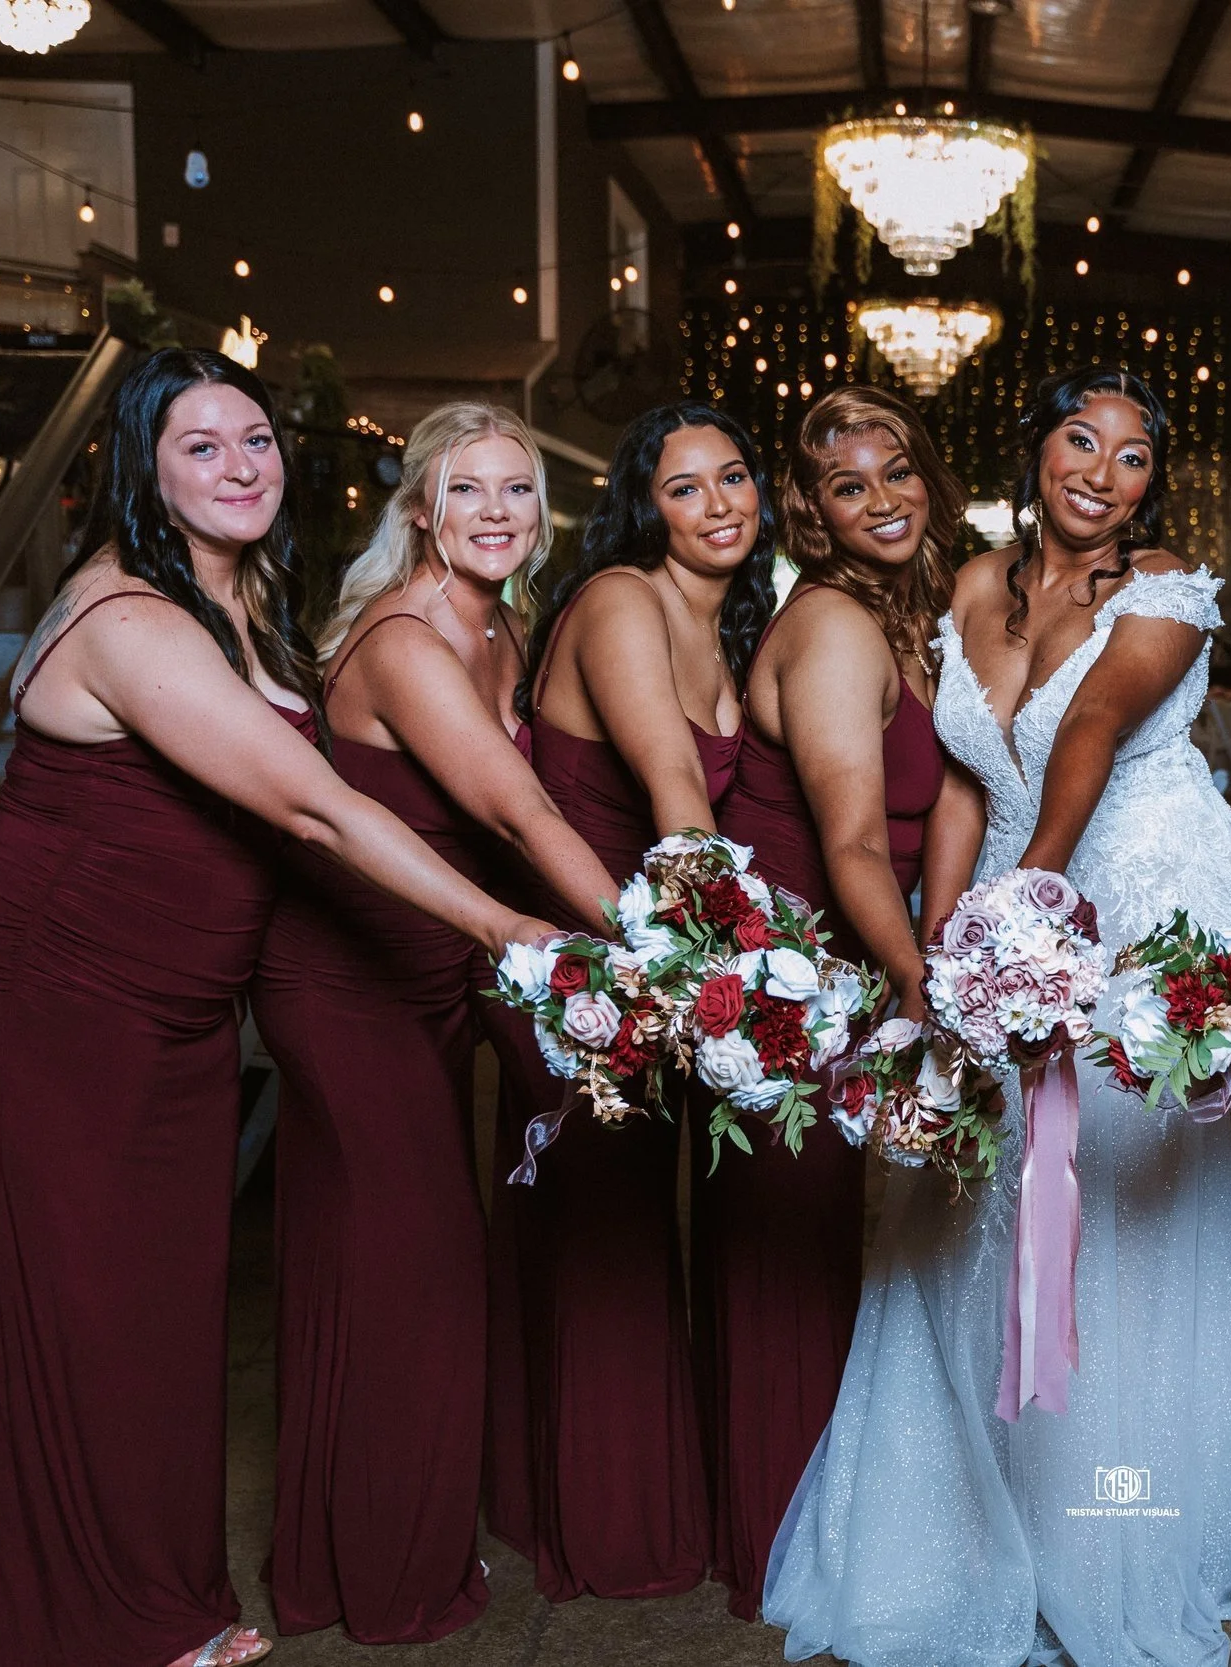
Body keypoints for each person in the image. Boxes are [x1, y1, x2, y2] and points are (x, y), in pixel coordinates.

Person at [0, 349, 552, 1667]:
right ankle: (81, 1623)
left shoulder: (251, 599)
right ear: (140, 467)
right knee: (75, 1311)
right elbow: (315, 802)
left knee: (152, 1321)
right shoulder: (132, 618)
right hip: (55, 995)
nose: (241, 466)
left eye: (256, 440)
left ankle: (153, 1599)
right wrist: (504, 924)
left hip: (174, 1006)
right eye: (200, 446)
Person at [764, 367, 1231, 1667]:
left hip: (1139, 894)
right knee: (969, 1200)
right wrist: (945, 947)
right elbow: (969, 779)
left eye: (1135, 455)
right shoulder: (973, 584)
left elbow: (1087, 727)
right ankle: (973, 1512)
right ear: (1032, 451)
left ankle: (1112, 1524)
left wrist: (1031, 909)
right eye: (1080, 441)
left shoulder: (1167, 591)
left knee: (1108, 1207)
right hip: (1008, 895)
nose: (1103, 471)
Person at [250, 402, 619, 1644]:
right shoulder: (407, 637)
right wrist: (667, 937)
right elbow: (515, 813)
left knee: (392, 1265)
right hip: (342, 981)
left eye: (519, 489)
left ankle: (341, 1547)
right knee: (409, 1268)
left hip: (437, 977)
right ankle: (384, 1573)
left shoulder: (498, 620)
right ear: (421, 508)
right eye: (471, 491)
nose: (501, 512)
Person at [483, 400, 777, 1603]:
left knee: (660, 1236)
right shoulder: (617, 599)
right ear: (642, 508)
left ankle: (670, 1505)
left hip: (654, 958)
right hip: (582, 978)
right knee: (609, 1250)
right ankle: (618, 1538)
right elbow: (669, 786)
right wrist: (737, 969)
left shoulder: (734, 623)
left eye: (734, 478)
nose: (718, 505)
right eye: (683, 488)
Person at [691, 386, 953, 1618]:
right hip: (792, 979)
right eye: (850, 487)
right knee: (786, 1259)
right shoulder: (839, 626)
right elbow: (851, 841)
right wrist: (922, 985)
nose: (883, 499)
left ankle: (812, 1525)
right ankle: (780, 1549)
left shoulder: (896, 612)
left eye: (895, 471)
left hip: (833, 964)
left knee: (810, 1253)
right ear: (816, 514)